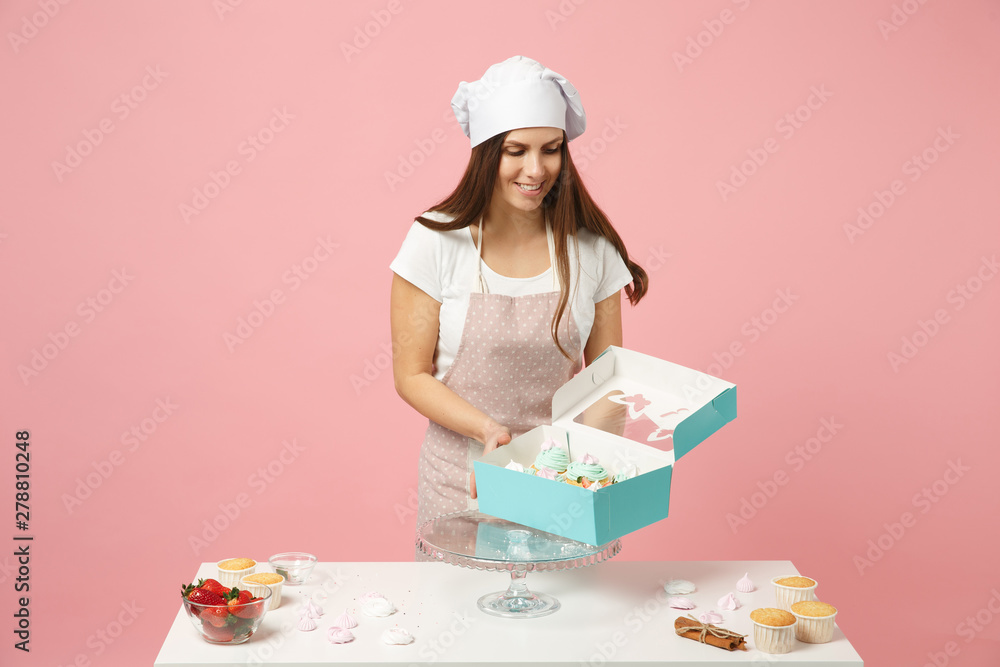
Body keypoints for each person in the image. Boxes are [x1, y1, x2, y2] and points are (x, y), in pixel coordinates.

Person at [389, 56, 648, 550]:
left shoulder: (592, 249)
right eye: (516, 151)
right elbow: (411, 375)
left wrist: (596, 474)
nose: (536, 170)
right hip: (459, 483)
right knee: (460, 620)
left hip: (562, 486)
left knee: (567, 620)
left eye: (551, 150)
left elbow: (607, 380)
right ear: (487, 154)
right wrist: (489, 430)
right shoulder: (435, 241)